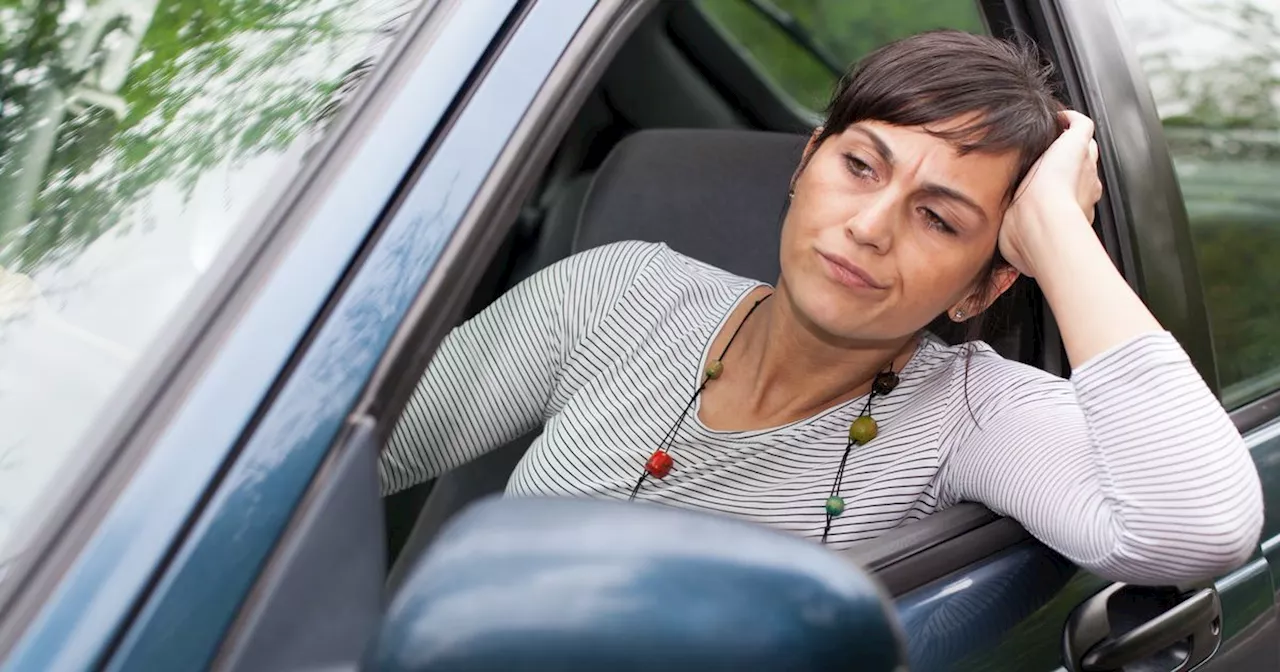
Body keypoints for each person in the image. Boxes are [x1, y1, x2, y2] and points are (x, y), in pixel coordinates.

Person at [378, 30, 1263, 585]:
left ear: (983, 286)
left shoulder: (967, 414)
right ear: (806, 164)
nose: (870, 226)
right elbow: (343, 452)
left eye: (938, 217)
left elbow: (1199, 527)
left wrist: (1061, 238)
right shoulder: (620, 292)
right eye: (860, 166)